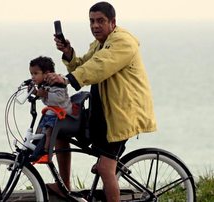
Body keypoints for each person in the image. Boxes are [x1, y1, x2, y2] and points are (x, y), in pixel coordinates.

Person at [47, 2, 157, 201]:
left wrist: (67, 79)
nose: (95, 25)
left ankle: (106, 168)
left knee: (106, 168)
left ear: (113, 22)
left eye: (100, 21)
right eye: (91, 21)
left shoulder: (123, 42)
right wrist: (68, 53)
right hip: (102, 111)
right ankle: (64, 186)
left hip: (121, 115)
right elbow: (84, 64)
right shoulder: (100, 43)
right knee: (60, 129)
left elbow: (100, 65)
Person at [28, 56, 72, 162]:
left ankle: (47, 150)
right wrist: (36, 93)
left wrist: (45, 94)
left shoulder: (57, 83)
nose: (33, 77)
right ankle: (35, 146)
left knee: (48, 131)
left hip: (62, 113)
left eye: (36, 73)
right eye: (31, 74)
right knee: (40, 128)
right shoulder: (45, 84)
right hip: (53, 112)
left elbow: (59, 99)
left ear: (47, 73)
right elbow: (47, 101)